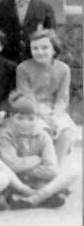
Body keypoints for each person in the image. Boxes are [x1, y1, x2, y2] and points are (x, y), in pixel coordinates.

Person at [0, 93, 79, 209]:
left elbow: (51, 170)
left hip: (38, 181)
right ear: (11, 117)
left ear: (37, 119)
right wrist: (37, 159)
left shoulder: (43, 137)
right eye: (20, 118)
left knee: (74, 170)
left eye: (30, 119)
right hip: (16, 181)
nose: (25, 123)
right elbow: (10, 165)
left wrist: (21, 167)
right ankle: (44, 195)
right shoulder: (5, 135)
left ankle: (33, 199)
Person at [16, 29, 77, 163]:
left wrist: (55, 115)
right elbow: (27, 97)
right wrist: (43, 116)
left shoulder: (63, 69)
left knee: (66, 130)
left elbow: (62, 98)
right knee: (42, 130)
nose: (40, 52)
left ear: (54, 49)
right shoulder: (23, 68)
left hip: (54, 110)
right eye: (35, 48)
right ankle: (40, 166)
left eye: (45, 47)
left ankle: (55, 167)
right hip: (31, 110)